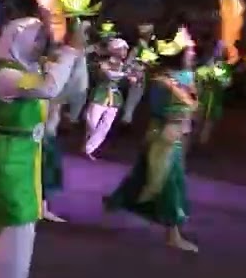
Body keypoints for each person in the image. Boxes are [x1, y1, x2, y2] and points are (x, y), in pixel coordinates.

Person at [0, 16, 82, 278]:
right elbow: (48, 88)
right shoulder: (7, 75)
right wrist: (70, 51)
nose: (41, 44)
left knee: (16, 224)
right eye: (37, 38)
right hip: (6, 154)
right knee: (12, 222)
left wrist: (70, 53)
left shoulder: (30, 71)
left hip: (24, 154)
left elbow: (64, 89)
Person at [104, 27, 200, 251]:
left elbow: (190, 105)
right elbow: (159, 110)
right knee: (169, 183)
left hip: (175, 137)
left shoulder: (186, 77)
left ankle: (119, 202)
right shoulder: (162, 81)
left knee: (150, 178)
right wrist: (176, 119)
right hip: (162, 138)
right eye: (189, 50)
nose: (193, 53)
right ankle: (173, 234)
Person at [83, 37, 130, 159]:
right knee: (91, 121)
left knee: (106, 125)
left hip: (114, 97)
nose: (124, 52)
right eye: (122, 49)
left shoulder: (125, 66)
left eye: (125, 50)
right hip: (101, 94)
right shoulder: (103, 63)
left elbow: (130, 79)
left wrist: (132, 78)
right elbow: (103, 75)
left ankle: (90, 148)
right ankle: (88, 143)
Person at [120, 24, 157, 124]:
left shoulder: (143, 47)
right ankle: (126, 119)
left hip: (136, 75)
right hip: (137, 76)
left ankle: (127, 118)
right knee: (133, 98)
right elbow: (129, 64)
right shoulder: (141, 48)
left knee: (134, 98)